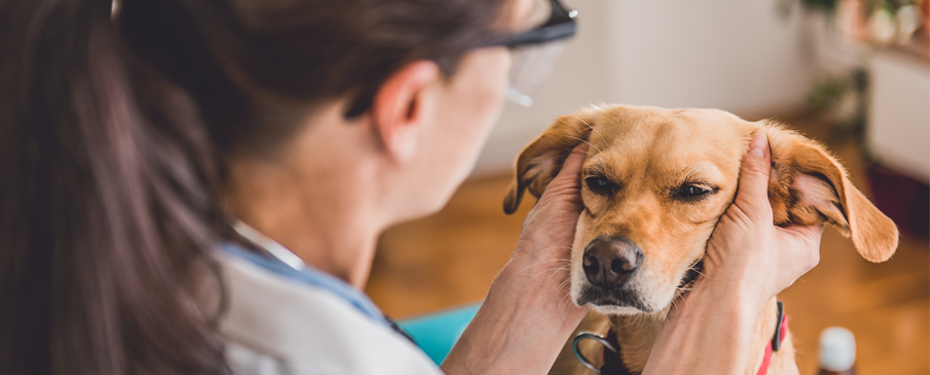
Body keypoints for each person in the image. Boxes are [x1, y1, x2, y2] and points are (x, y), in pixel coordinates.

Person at [0, 0, 823, 374]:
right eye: (531, 43)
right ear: (409, 106)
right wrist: (722, 319)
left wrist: (540, 286)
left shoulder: (92, 252)